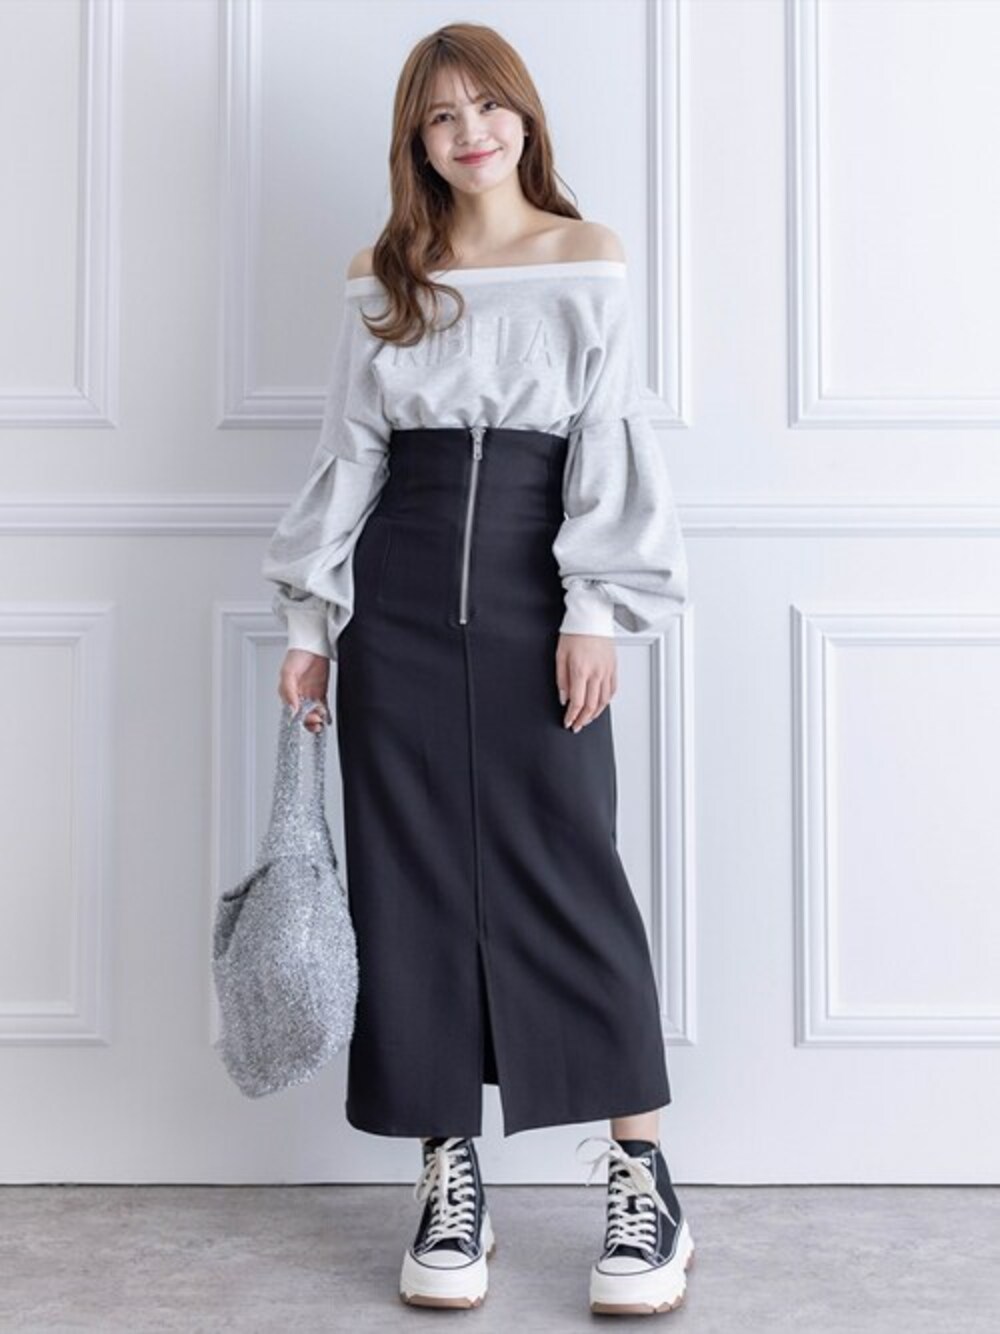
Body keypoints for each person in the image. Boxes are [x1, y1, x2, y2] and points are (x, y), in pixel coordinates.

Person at [262, 21, 695, 1319]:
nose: (471, 133)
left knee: (571, 868)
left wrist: (591, 607)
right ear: (418, 139)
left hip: (532, 591)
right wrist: (309, 628)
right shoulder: (384, 273)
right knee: (410, 888)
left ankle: (643, 1179)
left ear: (525, 117)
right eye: (442, 115)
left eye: (488, 106)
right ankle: (449, 1178)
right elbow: (351, 454)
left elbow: (606, 436)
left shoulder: (586, 254)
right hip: (393, 604)